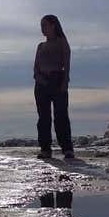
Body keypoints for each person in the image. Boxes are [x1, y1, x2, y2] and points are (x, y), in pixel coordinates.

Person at [33, 14, 74, 159]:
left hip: (58, 79)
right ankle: (45, 149)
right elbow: (35, 68)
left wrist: (64, 82)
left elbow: (67, 64)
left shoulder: (61, 42)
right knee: (43, 117)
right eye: (41, 26)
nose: (42, 29)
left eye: (45, 25)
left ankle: (67, 148)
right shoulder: (40, 46)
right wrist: (40, 79)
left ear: (53, 25)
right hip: (41, 83)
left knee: (61, 116)